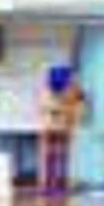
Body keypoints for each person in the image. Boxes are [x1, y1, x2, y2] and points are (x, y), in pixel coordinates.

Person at [37, 66, 85, 198]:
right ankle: (49, 185)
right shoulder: (50, 90)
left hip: (60, 126)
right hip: (54, 126)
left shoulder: (70, 89)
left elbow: (80, 101)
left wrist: (71, 115)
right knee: (51, 156)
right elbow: (45, 107)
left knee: (59, 156)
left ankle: (58, 184)